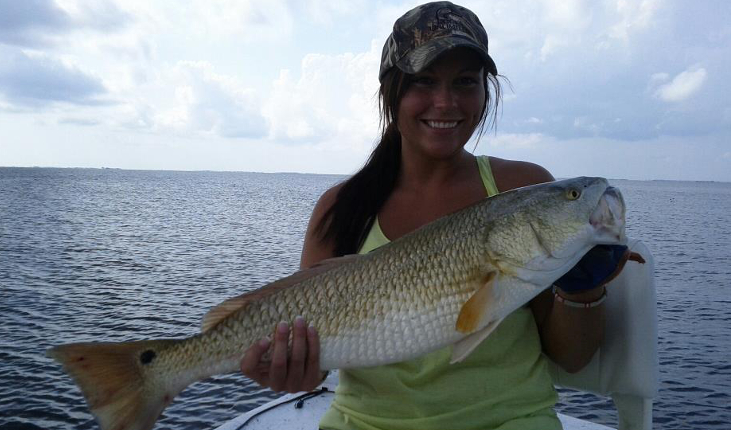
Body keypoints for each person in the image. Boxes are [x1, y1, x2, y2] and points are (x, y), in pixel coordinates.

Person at [240, 2, 609, 429]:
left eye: (465, 81)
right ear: (390, 92)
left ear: (485, 91)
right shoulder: (341, 208)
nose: (445, 102)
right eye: (423, 81)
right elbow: (314, 370)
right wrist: (294, 369)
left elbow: (573, 358)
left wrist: (584, 288)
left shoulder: (523, 191)